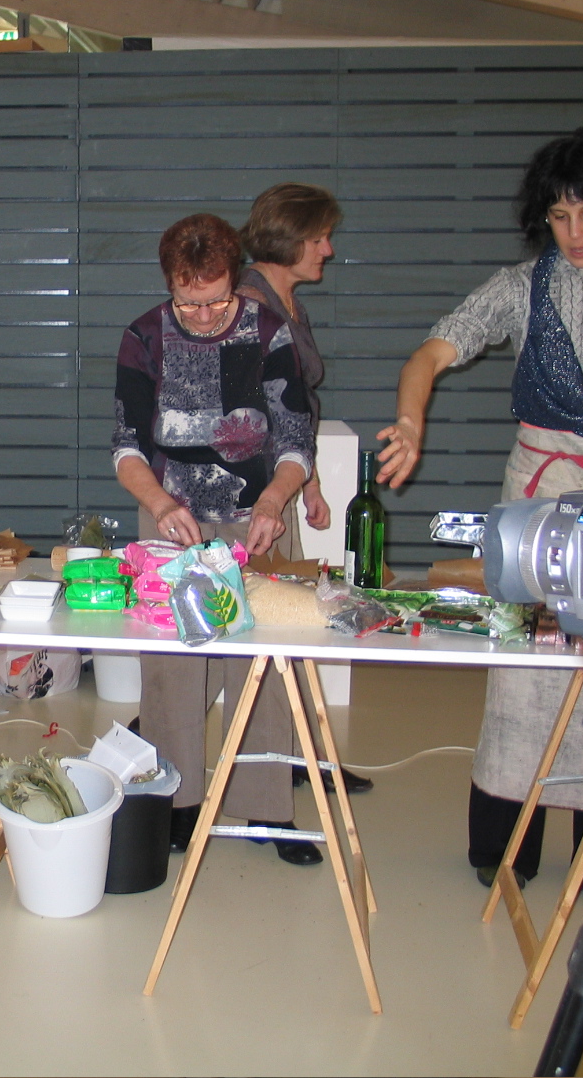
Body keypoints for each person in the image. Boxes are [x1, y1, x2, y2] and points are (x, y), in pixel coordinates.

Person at [375, 128, 583, 888]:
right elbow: (431, 352)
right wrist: (410, 421)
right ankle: (506, 846)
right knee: (523, 660)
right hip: (539, 480)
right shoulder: (518, 287)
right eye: (560, 217)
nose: (575, 232)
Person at [113, 212, 321, 864]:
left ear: (235, 280)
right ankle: (176, 803)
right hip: (171, 515)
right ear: (170, 287)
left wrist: (275, 499)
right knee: (173, 667)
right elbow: (126, 447)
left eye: (217, 301)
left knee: (262, 662)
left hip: (255, 515)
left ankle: (266, 809)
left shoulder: (268, 331)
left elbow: (295, 440)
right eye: (189, 302)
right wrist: (160, 502)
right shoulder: (145, 336)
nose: (204, 316)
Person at [236, 182, 371, 795]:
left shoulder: (286, 301)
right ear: (290, 237)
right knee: (258, 633)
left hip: (281, 483)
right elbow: (250, 414)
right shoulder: (248, 304)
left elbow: (295, 408)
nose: (329, 249)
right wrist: (278, 490)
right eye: (320, 237)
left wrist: (308, 483)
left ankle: (291, 759)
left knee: (276, 630)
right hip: (251, 494)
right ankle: (264, 777)